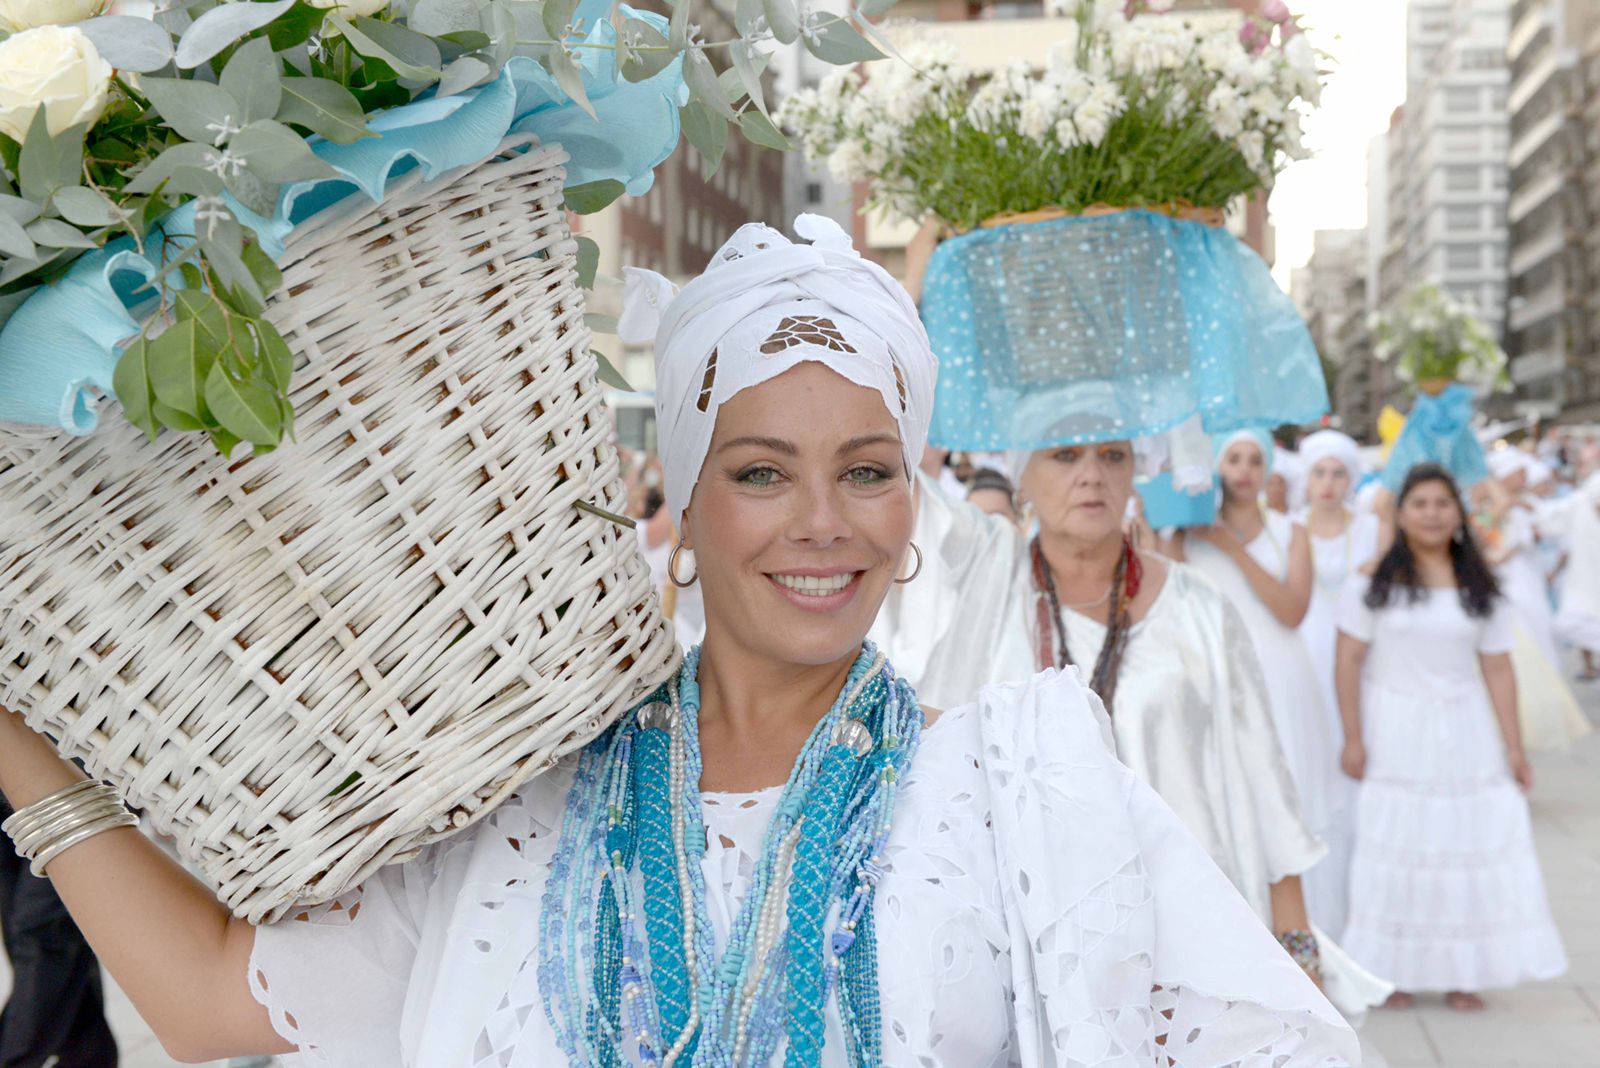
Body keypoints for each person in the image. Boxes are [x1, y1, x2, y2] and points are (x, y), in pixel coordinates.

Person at [0, 217, 1358, 1066]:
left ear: (913, 505)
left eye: (870, 472)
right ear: (685, 501)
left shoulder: (1024, 789)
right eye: (763, 473)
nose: (822, 525)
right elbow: (202, 1000)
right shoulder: (520, 805)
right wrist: (13, 732)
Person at [871, 435, 1384, 1007]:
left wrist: (1299, 954)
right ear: (1022, 475)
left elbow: (1266, 789)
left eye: (1112, 456)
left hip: (1185, 941)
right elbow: (889, 486)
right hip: (1029, 938)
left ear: (1137, 471)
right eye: (1065, 455)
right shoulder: (986, 580)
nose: (1092, 475)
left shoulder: (1199, 607)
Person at [1336, 464, 1566, 1011]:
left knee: (1464, 844)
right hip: (1394, 728)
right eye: (1420, 503)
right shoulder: (1372, 583)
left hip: (1466, 730)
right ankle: (1392, 972)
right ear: (1401, 514)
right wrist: (1353, 736)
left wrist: (1514, 746)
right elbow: (1347, 660)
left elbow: (1499, 669)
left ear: (1459, 513)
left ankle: (1465, 971)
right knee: (1401, 846)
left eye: (1443, 503)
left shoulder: (1480, 588)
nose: (1433, 513)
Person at [1173, 429, 1343, 936]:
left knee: (1289, 801)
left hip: (1280, 679)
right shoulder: (1187, 532)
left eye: (1254, 461)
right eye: (1233, 459)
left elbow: (1292, 609)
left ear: (1268, 470)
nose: (1244, 470)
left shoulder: (1289, 531)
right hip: (1216, 679)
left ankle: (1307, 937)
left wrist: (1233, 549)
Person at [1293, 430, 1379, 941]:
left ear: (1352, 478)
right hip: (1301, 653)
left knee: (1351, 772)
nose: (1328, 483)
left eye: (1338, 473)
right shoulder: (1288, 526)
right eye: (1320, 472)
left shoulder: (1371, 529)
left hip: (1355, 660)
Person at [0, 796, 120, 1068]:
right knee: (17, 927)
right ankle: (89, 1055)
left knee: (43, 930)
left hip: (75, 777)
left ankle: (14, 1058)